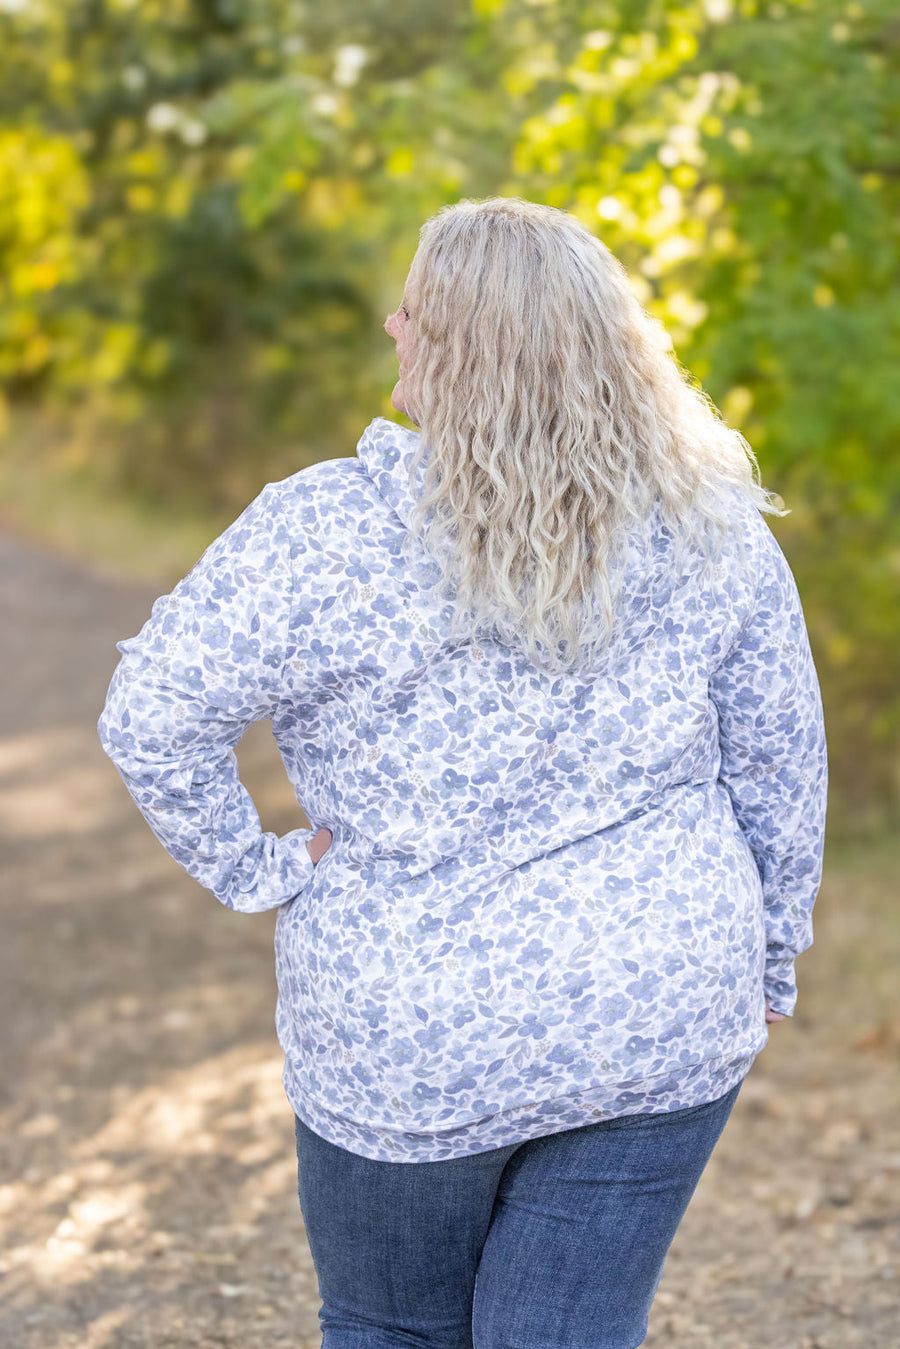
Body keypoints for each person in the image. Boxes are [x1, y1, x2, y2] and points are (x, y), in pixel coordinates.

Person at [96, 196, 828, 1348]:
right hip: (659, 1001)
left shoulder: (325, 530)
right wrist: (768, 952)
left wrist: (258, 868)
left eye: (416, 312)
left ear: (461, 347)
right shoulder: (713, 522)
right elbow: (783, 761)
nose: (392, 326)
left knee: (394, 1326)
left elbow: (150, 714)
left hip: (414, 1030)